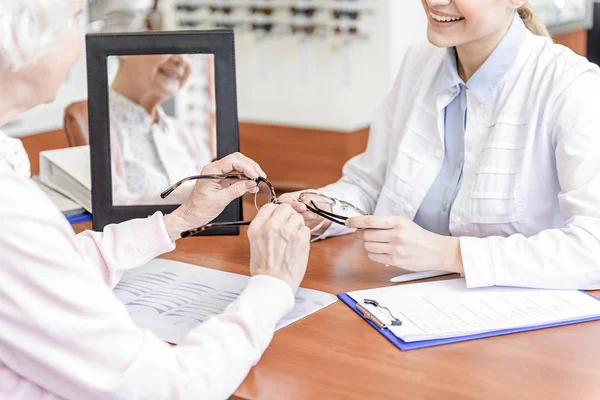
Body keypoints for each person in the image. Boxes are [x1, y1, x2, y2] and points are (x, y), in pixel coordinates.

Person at [0, 1, 310, 399]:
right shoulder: (12, 215)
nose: (81, 37)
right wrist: (272, 286)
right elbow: (169, 388)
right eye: (76, 16)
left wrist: (180, 219)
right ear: (25, 33)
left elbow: (55, 266)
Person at [282, 0, 600, 290]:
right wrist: (318, 208)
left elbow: (592, 248)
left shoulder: (572, 87)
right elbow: (369, 184)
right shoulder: (418, 63)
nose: (434, 2)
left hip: (519, 331)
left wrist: (450, 254)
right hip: (401, 300)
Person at [110, 53, 216, 205]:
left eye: (190, 53)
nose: (180, 60)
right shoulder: (94, 124)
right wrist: (199, 195)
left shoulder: (183, 133)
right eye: (167, 45)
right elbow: (112, 207)